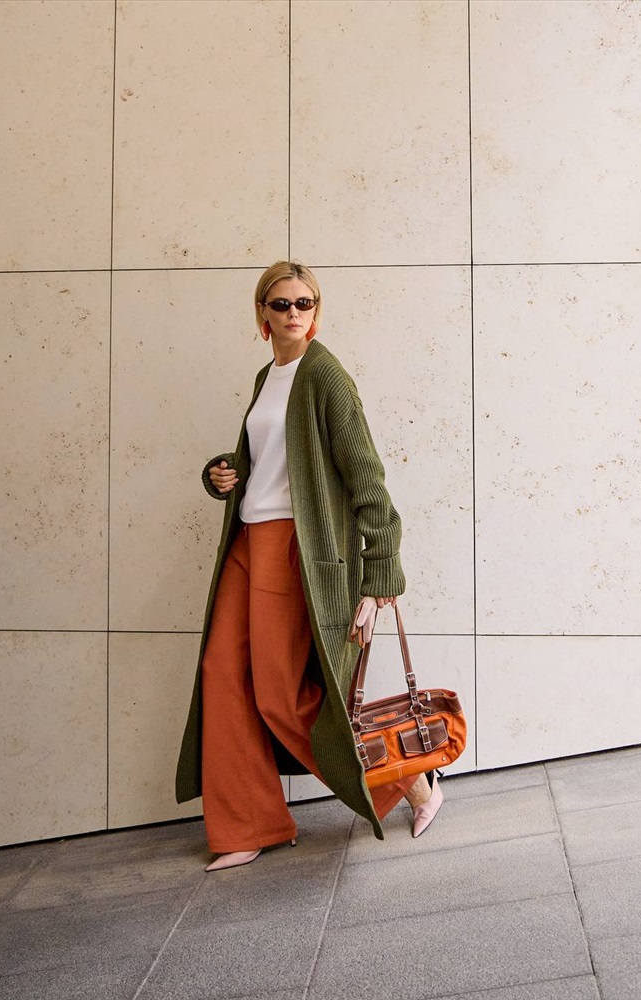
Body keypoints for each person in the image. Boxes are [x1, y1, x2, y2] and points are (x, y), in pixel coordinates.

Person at [175, 261, 443, 871]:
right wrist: (224, 473)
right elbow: (272, 461)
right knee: (222, 672)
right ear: (262, 314)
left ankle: (407, 780)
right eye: (281, 304)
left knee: (280, 692)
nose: (293, 313)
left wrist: (380, 574)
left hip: (294, 547)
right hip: (248, 540)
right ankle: (249, 825)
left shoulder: (325, 375)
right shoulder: (267, 375)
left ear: (316, 311)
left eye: (304, 303)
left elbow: (366, 476)